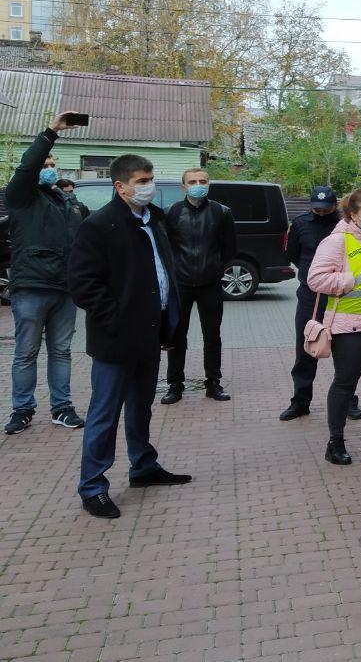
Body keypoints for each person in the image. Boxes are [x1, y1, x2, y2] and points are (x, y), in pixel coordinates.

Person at [69, 154, 192, 518]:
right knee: (104, 414)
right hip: (116, 340)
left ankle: (143, 466)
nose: (148, 186)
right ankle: (93, 486)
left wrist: (170, 323)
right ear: (120, 186)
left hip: (151, 334)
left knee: (141, 407)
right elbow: (82, 285)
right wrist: (117, 321)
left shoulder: (154, 219)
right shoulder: (99, 226)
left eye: (150, 178)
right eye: (141, 181)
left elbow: (164, 271)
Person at [4, 114, 86, 435]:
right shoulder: (22, 198)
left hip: (64, 289)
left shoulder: (67, 202)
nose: (48, 166)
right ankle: (22, 410)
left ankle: (61, 407)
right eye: (44, 162)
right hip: (32, 287)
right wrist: (51, 133)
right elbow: (27, 167)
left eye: (53, 163)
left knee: (62, 351)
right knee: (26, 352)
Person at [307, 189, 361, 465]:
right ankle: (335, 442)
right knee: (345, 383)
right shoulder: (337, 241)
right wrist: (348, 281)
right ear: (354, 215)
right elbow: (315, 279)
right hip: (349, 328)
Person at [162, 168, 237, 405]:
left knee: (212, 336)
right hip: (180, 285)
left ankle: (213, 382)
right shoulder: (171, 213)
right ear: (183, 186)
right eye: (192, 181)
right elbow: (166, 248)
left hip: (210, 284)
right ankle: (175, 384)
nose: (198, 185)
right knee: (176, 335)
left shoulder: (222, 212)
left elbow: (230, 248)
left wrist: (215, 268)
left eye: (202, 181)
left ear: (209, 184)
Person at [279, 186, 348, 422]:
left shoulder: (345, 225)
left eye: (325, 207)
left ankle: (349, 401)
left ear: (334, 204)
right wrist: (312, 275)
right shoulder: (300, 223)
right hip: (310, 294)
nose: (320, 212)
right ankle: (300, 401)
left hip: (340, 295)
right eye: (316, 208)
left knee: (345, 349)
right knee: (306, 346)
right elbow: (293, 254)